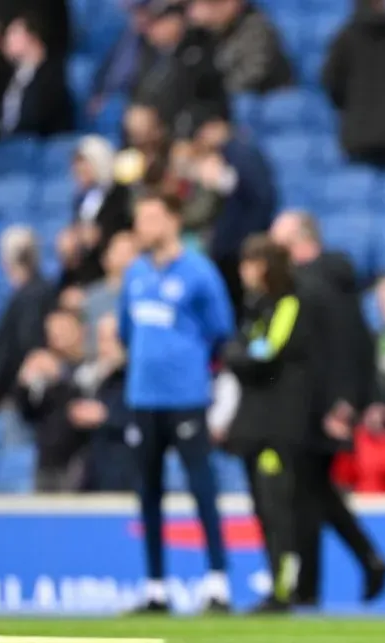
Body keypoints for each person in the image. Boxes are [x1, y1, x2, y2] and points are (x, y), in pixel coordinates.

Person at [118, 190, 235, 613]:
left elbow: (220, 329)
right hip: (142, 397)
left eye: (151, 217)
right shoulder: (135, 273)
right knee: (148, 491)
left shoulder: (199, 272)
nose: (143, 227)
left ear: (172, 221)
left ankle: (217, 582)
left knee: (202, 487)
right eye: (140, 219)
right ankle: (155, 588)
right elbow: (126, 332)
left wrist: (187, 361)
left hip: (185, 397)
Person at [268, 210, 385, 606]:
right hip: (315, 401)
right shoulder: (330, 280)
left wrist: (343, 402)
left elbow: (343, 344)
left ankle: (318, 583)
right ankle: (363, 562)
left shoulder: (320, 281)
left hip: (319, 405)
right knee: (313, 492)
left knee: (308, 493)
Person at [223, 235, 313, 612]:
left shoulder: (287, 304)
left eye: (249, 263)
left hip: (278, 426)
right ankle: (276, 583)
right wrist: (240, 354)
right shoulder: (255, 309)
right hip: (255, 425)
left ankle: (283, 589)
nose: (243, 271)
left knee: (278, 509)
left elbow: (265, 354)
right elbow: (240, 352)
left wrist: (239, 355)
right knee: (262, 508)